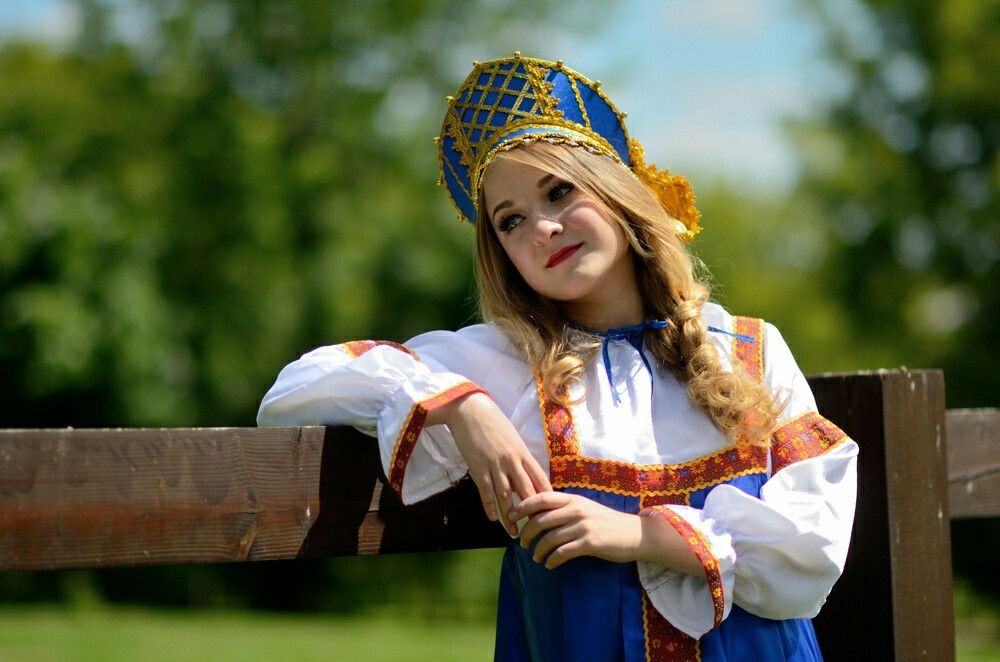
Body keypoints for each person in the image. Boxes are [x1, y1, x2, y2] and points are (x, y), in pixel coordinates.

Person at [257, 53, 858, 662]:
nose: (542, 228)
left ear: (615, 190)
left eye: (559, 191)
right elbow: (292, 391)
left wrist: (638, 535)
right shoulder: (503, 360)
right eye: (511, 220)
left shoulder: (747, 349)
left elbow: (815, 545)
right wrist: (461, 407)